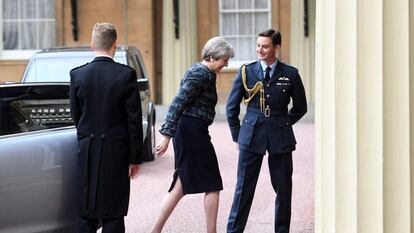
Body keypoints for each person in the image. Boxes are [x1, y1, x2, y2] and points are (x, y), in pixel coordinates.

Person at [226, 29, 307, 233]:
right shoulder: (246, 71)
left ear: (276, 48)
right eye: (258, 45)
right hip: (251, 134)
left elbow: (301, 107)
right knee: (243, 188)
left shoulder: (291, 74)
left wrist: (284, 123)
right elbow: (231, 108)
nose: (260, 50)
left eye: (265, 46)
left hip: (280, 135)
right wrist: (238, 135)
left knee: (283, 189)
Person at [150, 36, 234, 233]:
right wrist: (166, 136)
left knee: (181, 184)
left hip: (193, 130)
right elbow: (178, 102)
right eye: (224, 59)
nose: (226, 63)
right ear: (213, 57)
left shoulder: (205, 72)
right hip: (191, 132)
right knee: (212, 182)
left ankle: (155, 230)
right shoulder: (200, 73)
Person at [69, 22, 142, 233]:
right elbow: (133, 120)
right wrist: (134, 158)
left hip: (87, 149)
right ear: (115, 45)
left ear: (92, 44)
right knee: (113, 213)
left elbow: (77, 115)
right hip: (116, 152)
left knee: (87, 211)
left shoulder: (77, 75)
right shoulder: (126, 75)